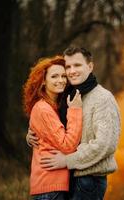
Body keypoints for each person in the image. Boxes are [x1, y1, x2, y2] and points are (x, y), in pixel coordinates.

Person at [26, 46, 121, 200]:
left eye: (77, 65)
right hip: (70, 178)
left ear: (90, 67)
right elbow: (54, 128)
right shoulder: (68, 95)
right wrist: (32, 135)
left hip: (89, 179)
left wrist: (67, 160)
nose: (71, 71)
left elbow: (105, 144)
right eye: (68, 67)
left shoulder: (103, 98)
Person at [23, 55, 83, 200]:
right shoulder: (44, 109)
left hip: (54, 184)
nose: (61, 80)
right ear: (43, 81)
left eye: (63, 76)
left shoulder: (53, 106)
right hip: (49, 185)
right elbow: (67, 145)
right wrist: (75, 111)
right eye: (54, 76)